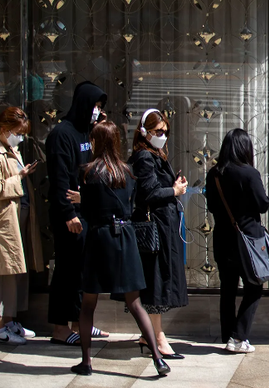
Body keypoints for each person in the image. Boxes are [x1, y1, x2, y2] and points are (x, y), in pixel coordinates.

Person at [72, 121, 169, 377]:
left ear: (97, 142)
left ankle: (86, 362)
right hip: (125, 236)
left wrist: (83, 201)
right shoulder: (127, 171)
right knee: (135, 302)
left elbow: (88, 211)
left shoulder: (88, 172)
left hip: (99, 237)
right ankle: (158, 359)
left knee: (88, 303)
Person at [47, 81, 108, 346]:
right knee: (67, 271)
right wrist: (68, 212)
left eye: (100, 107)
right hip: (70, 215)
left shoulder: (87, 132)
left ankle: (80, 323)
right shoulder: (63, 133)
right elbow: (60, 177)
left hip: (87, 212)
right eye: (94, 105)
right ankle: (60, 328)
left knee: (84, 272)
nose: (96, 111)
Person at [129, 109, 188, 358]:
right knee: (156, 281)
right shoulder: (144, 156)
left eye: (165, 131)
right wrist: (173, 191)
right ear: (145, 131)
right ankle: (158, 336)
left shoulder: (155, 155)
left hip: (164, 226)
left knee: (160, 278)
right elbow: (149, 192)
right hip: (155, 228)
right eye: (158, 131)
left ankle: (150, 335)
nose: (163, 135)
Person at [205, 128, 269, 353]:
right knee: (254, 288)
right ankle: (239, 336)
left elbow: (211, 206)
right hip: (247, 241)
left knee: (228, 289)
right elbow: (263, 204)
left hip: (222, 239)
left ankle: (228, 335)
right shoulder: (249, 174)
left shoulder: (214, 174)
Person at [0, 108, 42, 345]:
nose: (21, 137)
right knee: (7, 272)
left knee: (16, 271)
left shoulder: (10, 150)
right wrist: (20, 176)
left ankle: (10, 319)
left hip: (19, 215)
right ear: (5, 130)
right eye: (18, 132)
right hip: (6, 219)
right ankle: (3, 323)